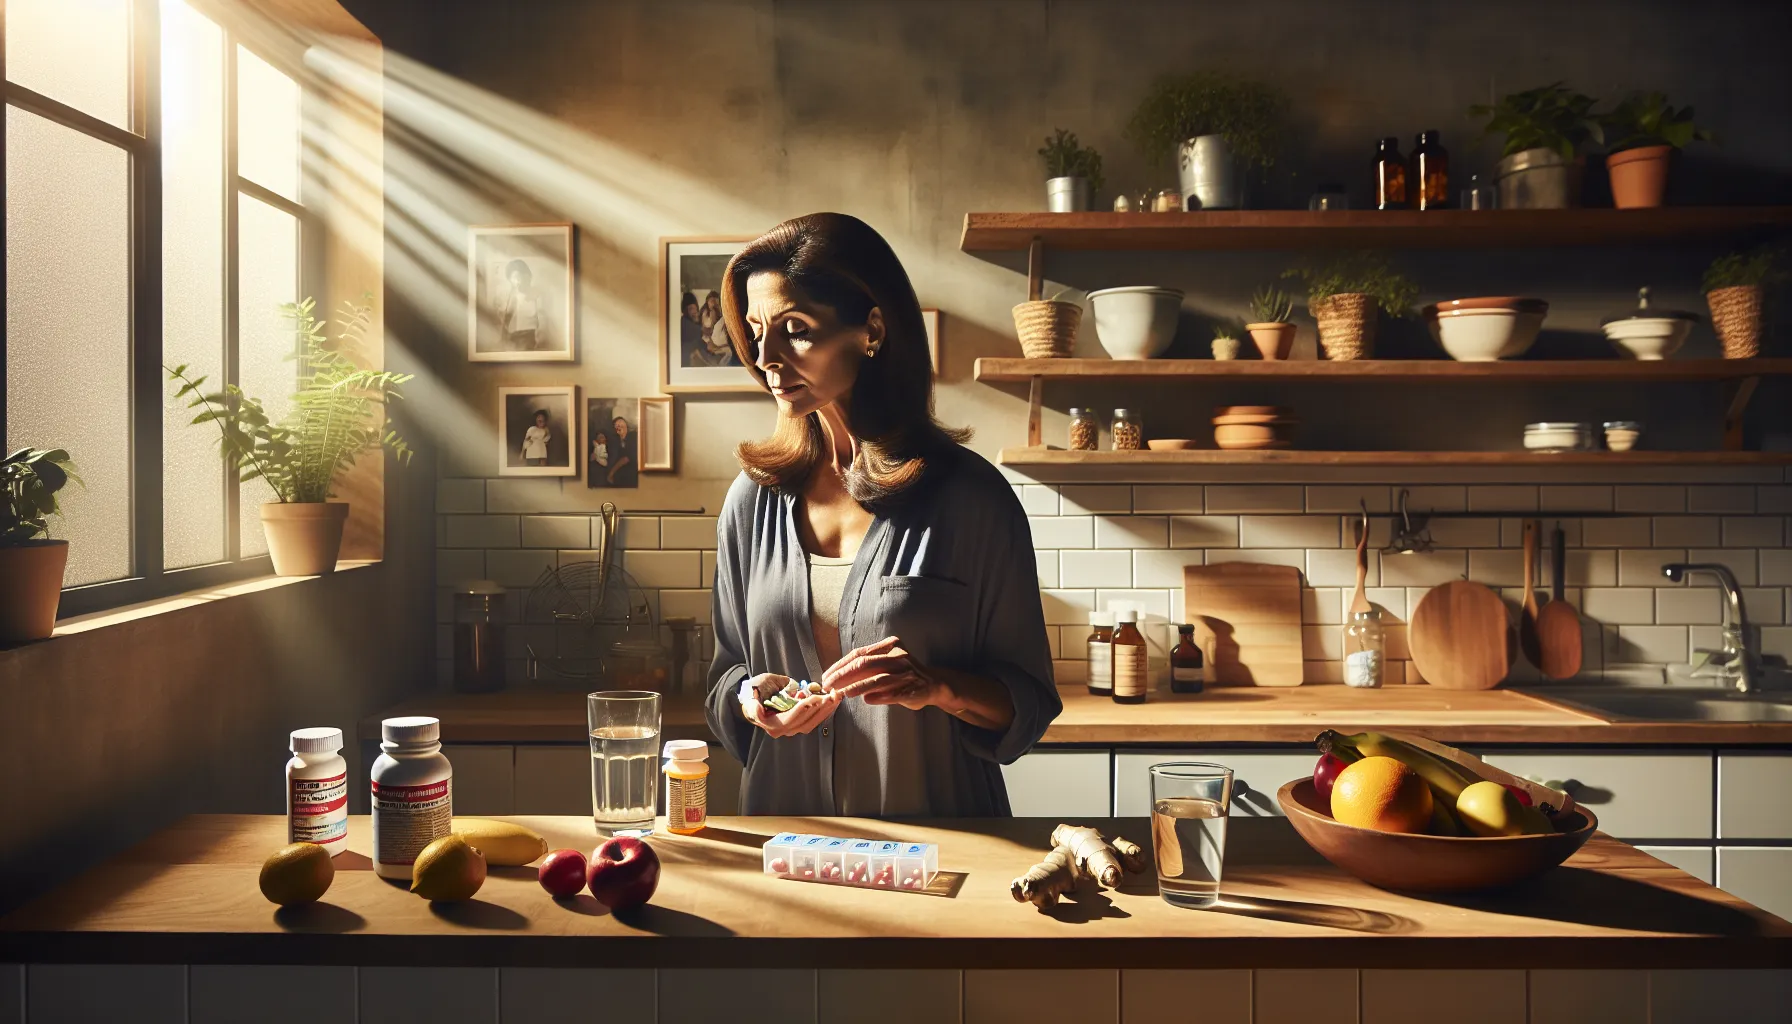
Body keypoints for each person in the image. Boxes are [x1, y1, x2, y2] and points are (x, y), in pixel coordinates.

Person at [705, 212, 1058, 817]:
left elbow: (1026, 702)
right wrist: (746, 696)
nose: (765, 356)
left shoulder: (973, 499)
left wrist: (938, 688)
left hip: (942, 850)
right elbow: (721, 678)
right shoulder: (751, 500)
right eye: (758, 331)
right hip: (786, 846)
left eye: (795, 329)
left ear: (871, 329)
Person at [498, 259, 542, 351]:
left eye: (522, 276)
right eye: (514, 278)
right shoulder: (510, 297)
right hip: (512, 338)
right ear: (510, 280)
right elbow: (505, 322)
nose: (518, 281)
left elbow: (542, 324)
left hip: (529, 338)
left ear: (528, 277)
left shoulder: (536, 296)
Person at [700, 292, 735, 366]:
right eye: (711, 301)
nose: (713, 304)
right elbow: (704, 330)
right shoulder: (705, 314)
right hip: (708, 338)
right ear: (707, 302)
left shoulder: (719, 313)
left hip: (717, 336)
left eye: (716, 302)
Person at [679, 291, 710, 367]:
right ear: (685, 311)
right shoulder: (684, 322)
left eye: (695, 308)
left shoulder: (694, 322)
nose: (694, 312)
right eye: (690, 309)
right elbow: (703, 331)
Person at [606, 415, 637, 487]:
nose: (619, 425)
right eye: (616, 425)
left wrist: (611, 473)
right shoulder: (615, 442)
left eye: (620, 422)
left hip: (631, 474)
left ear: (626, 425)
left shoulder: (633, 436)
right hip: (619, 477)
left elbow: (626, 458)